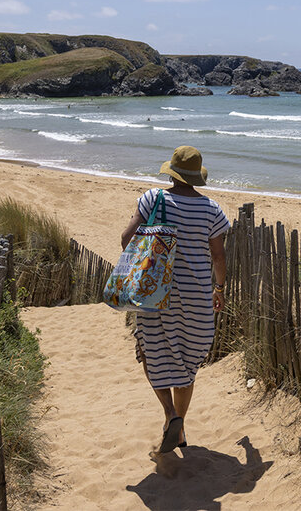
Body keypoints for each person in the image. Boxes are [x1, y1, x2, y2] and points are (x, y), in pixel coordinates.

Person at [119, 145, 229, 454]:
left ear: (172, 172)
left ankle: (169, 414)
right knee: (185, 363)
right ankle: (179, 425)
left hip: (156, 293)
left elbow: (126, 239)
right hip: (197, 298)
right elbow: (218, 257)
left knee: (150, 351)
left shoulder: (152, 198)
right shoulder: (212, 209)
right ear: (196, 176)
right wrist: (219, 289)